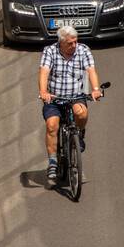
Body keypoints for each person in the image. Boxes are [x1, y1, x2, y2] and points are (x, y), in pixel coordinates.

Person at [39, 25, 102, 187]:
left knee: (81, 114)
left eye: (75, 42)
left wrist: (95, 89)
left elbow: (91, 71)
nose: (74, 45)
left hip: (76, 96)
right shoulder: (50, 51)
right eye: (70, 43)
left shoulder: (83, 50)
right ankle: (53, 162)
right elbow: (44, 72)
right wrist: (43, 91)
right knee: (52, 125)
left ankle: (79, 136)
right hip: (54, 98)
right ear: (61, 42)